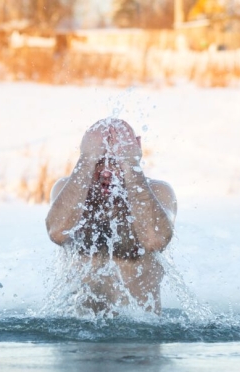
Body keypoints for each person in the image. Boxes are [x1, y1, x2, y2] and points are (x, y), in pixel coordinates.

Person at [45, 118, 177, 314]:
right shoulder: (70, 190)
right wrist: (87, 159)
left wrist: (130, 164)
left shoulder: (158, 192)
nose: (106, 172)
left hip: (141, 333)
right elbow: (57, 232)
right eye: (99, 159)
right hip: (79, 333)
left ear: (135, 151)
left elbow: (154, 239)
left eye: (116, 160)